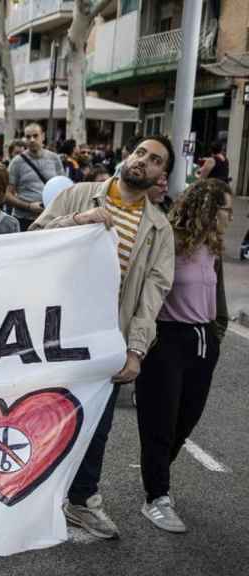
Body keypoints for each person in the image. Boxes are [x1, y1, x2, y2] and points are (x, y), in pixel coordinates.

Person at [31, 135, 176, 540]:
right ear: (129, 156)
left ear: (161, 175)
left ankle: (82, 500)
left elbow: (154, 293)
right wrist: (76, 222)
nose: (144, 162)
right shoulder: (78, 196)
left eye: (155, 161)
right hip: (52, 332)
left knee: (96, 425)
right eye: (140, 153)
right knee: (37, 413)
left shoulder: (159, 228)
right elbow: (31, 241)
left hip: (105, 341)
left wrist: (136, 350)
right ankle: (25, 496)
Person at [135, 178, 232, 534]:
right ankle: (156, 496)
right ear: (207, 208)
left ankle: (156, 472)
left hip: (203, 341)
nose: (230, 217)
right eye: (226, 209)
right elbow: (145, 289)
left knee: (185, 421)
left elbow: (217, 299)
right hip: (167, 341)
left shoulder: (214, 246)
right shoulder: (168, 242)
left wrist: (215, 333)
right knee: (159, 423)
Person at [5, 123, 63, 231]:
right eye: (28, 137)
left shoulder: (54, 159)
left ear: (43, 136)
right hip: (23, 219)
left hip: (50, 218)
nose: (32, 140)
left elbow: (63, 188)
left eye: (35, 136)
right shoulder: (17, 162)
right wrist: (28, 206)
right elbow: (7, 194)